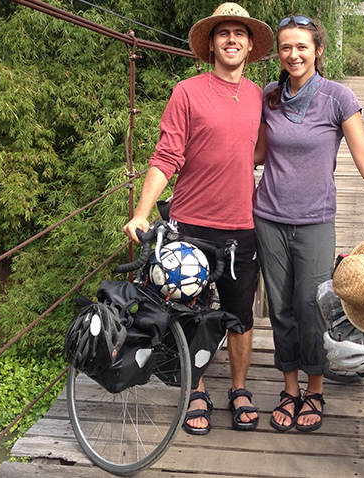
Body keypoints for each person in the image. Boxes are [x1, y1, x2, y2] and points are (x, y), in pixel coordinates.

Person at [253, 15, 364, 433]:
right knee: (281, 308)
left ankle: (316, 388)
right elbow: (252, 154)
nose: (293, 54)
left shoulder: (338, 97)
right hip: (268, 215)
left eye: (302, 47)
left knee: (313, 307)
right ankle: (290, 389)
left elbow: (363, 158)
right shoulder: (269, 95)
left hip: (315, 220)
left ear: (318, 51)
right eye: (286, 47)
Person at [122, 3, 273, 435]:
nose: (231, 39)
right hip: (190, 223)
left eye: (239, 33)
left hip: (243, 224)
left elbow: (260, 149)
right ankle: (197, 389)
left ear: (249, 45)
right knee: (189, 312)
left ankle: (239, 388)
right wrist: (141, 211)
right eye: (223, 33)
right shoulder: (186, 91)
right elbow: (166, 154)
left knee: (239, 313)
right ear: (211, 44)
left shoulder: (258, 94)